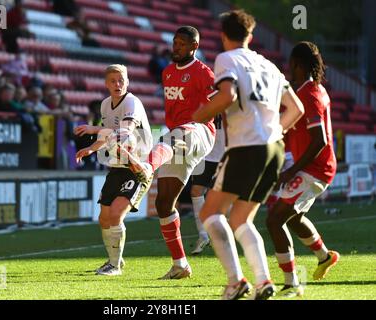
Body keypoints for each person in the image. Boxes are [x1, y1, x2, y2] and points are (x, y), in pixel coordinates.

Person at [192, 10, 304, 300]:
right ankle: (264, 281)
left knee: (209, 212)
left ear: (223, 35)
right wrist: (272, 133)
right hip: (273, 149)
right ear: (251, 36)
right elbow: (297, 109)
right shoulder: (267, 64)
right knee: (241, 219)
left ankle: (235, 281)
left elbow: (227, 95)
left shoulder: (226, 59)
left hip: (245, 148)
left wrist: (201, 113)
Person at [123, 26, 217, 280]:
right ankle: (180, 264)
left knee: (171, 137)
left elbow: (218, 107)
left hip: (199, 132)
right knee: (164, 203)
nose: (176, 46)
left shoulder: (203, 73)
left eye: (182, 43)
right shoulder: (166, 72)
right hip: (177, 138)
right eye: (175, 42)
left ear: (194, 47)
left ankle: (146, 167)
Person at [266, 41, 339, 298]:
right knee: (293, 218)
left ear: (297, 63)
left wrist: (291, 170)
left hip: (315, 169)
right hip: (314, 167)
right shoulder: (312, 90)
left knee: (274, 220)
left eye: (291, 63)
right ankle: (324, 257)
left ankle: (291, 283)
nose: (289, 68)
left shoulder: (309, 94)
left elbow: (319, 141)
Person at [74, 64, 153, 276]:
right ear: (106, 84)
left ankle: (115, 266)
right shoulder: (105, 105)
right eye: (113, 81)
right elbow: (108, 136)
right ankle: (114, 259)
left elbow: (124, 132)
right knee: (104, 218)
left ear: (127, 82)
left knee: (116, 214)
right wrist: (91, 148)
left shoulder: (132, 102)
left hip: (137, 167)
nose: (118, 84)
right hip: (117, 167)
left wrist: (95, 129)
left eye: (121, 80)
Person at [190, 113, 226, 255]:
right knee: (196, 191)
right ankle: (203, 236)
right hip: (204, 154)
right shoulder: (203, 95)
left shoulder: (231, 94)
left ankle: (221, 235)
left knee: (221, 196)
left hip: (225, 154)